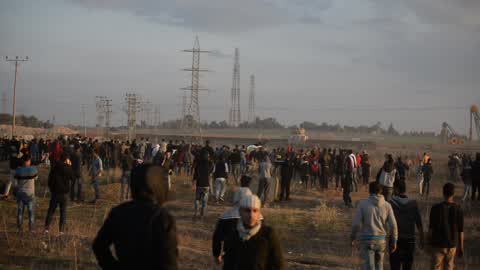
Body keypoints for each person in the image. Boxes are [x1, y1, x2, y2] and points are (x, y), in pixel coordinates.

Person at [92, 164, 178, 270]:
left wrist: (113, 267)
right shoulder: (162, 218)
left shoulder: (118, 212)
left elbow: (99, 246)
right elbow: (169, 263)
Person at [212, 194, 285, 270]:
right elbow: (228, 264)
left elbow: (278, 263)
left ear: (259, 213)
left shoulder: (268, 234)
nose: (251, 215)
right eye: (247, 211)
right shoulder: (233, 234)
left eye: (255, 211)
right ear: (240, 212)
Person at [351, 182, 398, 270]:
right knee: (379, 266)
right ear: (381, 191)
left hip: (367, 240)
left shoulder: (362, 204)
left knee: (369, 267)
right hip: (381, 241)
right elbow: (394, 225)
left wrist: (352, 237)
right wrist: (394, 240)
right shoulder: (387, 205)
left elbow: (356, 224)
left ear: (369, 191)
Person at [428, 183, 464, 270]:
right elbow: (461, 231)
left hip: (438, 244)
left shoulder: (435, 208)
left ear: (443, 193)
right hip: (452, 245)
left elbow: (431, 229)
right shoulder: (458, 209)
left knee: (435, 267)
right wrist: (461, 247)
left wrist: (428, 243)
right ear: (453, 194)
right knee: (449, 266)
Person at [389, 181, 424, 270]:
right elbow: (419, 223)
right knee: (407, 266)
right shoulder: (413, 204)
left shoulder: (391, 204)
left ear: (396, 189)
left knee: (394, 266)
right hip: (409, 240)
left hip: (395, 239)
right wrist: (421, 239)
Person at [45, 153, 75, 234]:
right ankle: (61, 231)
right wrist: (70, 166)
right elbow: (73, 177)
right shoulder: (68, 168)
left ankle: (46, 229)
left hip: (54, 193)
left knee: (51, 210)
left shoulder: (54, 167)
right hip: (64, 193)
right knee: (63, 212)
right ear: (66, 160)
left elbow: (49, 180)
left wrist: (51, 189)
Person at [14, 154, 38, 232]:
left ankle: (19, 228)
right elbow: (36, 178)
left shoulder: (18, 170)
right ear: (28, 161)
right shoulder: (33, 169)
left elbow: (15, 183)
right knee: (31, 212)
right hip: (30, 194)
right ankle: (31, 229)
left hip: (20, 193)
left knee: (20, 212)